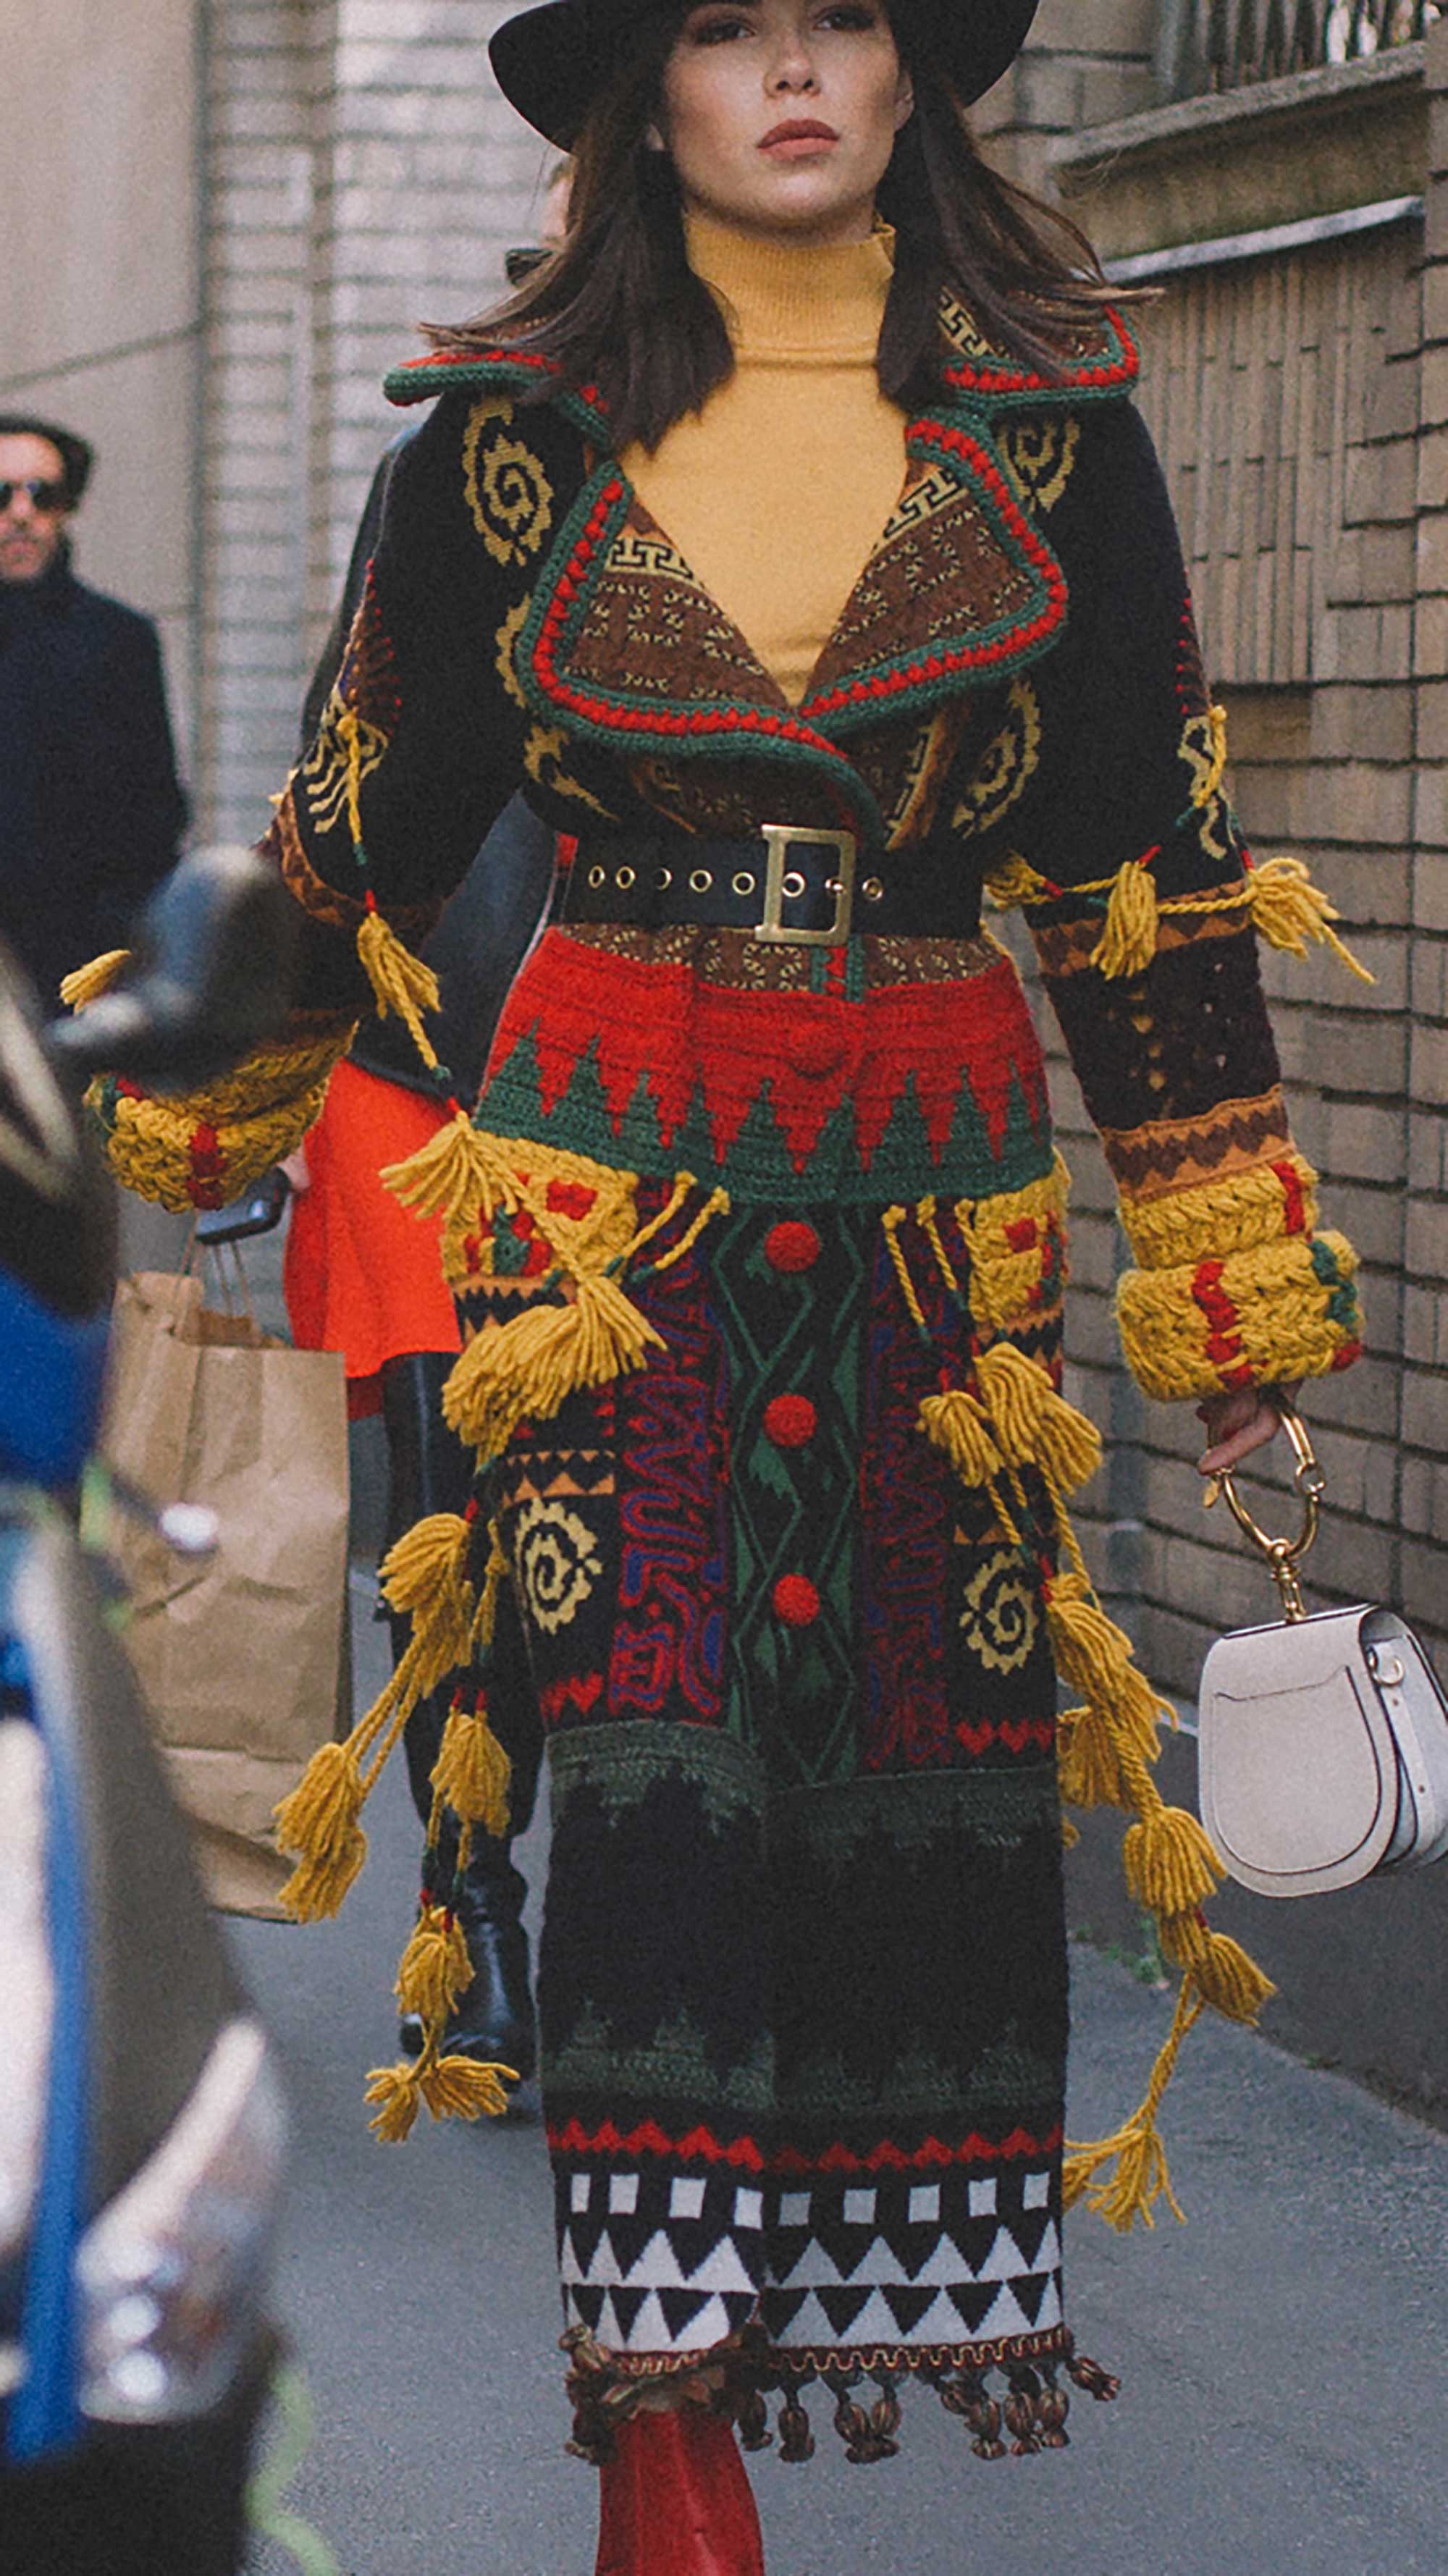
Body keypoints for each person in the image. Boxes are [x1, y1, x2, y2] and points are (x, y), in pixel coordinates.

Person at [94, 0, 1370, 2564]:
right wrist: (160, 1094)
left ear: (914, 82)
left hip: (936, 1222)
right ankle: (663, 2443)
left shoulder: (1057, 430)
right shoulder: (501, 444)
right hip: (602, 1226)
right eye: (729, 31)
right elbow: (355, 830)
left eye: (844, 26)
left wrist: (1230, 1299)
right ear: (638, 95)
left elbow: (1151, 881)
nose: (793, 73)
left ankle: (838, 2323)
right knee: (654, 1761)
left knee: (916, 1781)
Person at [0, 415, 187, 1010]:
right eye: (1, 494)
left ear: (67, 508)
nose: (22, 514)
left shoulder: (120, 641)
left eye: (43, 495)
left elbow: (155, 814)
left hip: (78, 975)